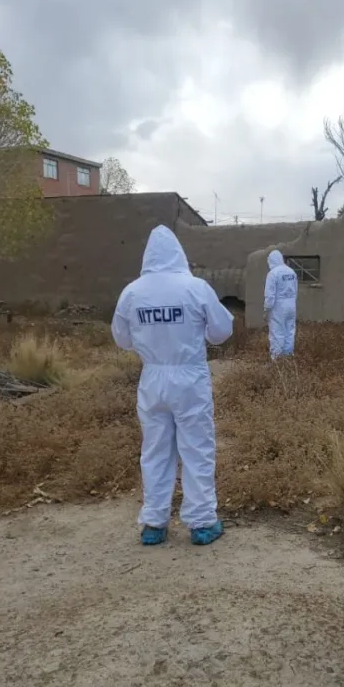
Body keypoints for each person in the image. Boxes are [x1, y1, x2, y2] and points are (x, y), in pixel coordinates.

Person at [111, 225, 234, 547]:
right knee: (197, 449)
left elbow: (121, 339)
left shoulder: (132, 292)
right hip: (189, 377)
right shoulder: (196, 288)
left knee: (155, 451)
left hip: (152, 378)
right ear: (179, 253)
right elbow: (221, 331)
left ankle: (154, 523)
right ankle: (202, 523)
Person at [263, 250, 298, 359]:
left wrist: (266, 310)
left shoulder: (273, 273)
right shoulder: (291, 271)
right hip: (291, 305)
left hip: (278, 306)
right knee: (289, 331)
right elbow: (296, 290)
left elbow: (270, 295)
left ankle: (277, 360)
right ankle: (288, 357)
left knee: (277, 332)